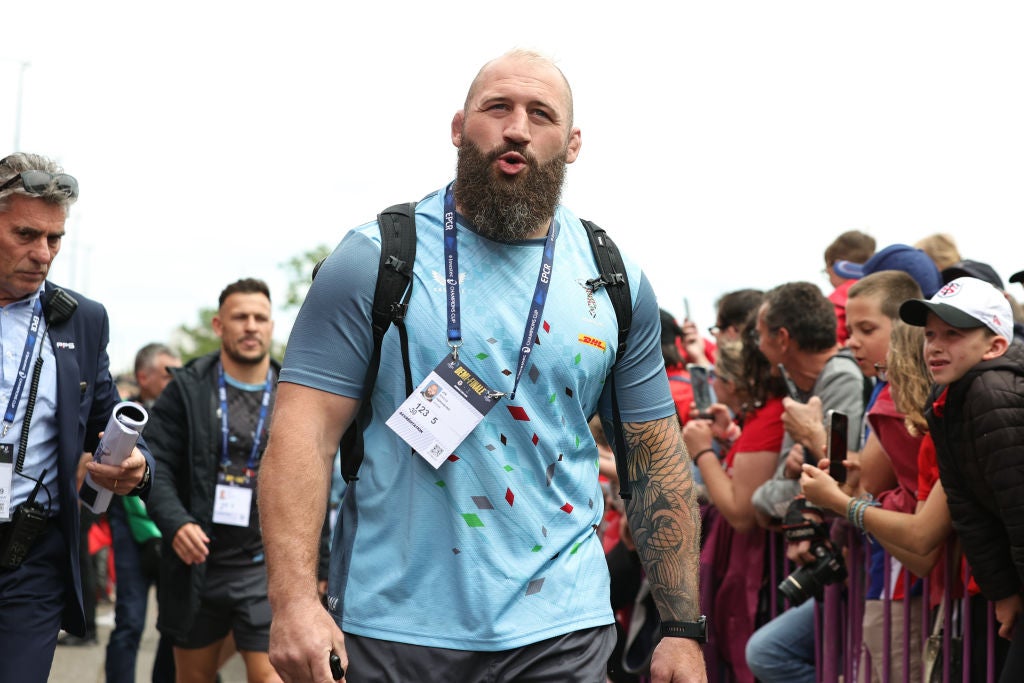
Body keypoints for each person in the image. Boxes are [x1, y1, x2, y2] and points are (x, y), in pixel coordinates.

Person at [259, 50, 707, 683]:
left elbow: (656, 458)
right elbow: (301, 436)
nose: (517, 127)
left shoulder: (612, 280)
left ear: (572, 143)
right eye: (497, 107)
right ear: (457, 126)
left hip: (562, 632)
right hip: (395, 632)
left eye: (540, 114)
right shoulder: (375, 258)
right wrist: (294, 601)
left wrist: (682, 629)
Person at [0, 152, 153, 682]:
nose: (43, 253)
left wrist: (138, 465)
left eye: (54, 238)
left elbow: (108, 418)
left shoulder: (81, 319)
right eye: (25, 234)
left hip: (28, 558)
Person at [146, 279, 323, 683]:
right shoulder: (187, 390)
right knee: (194, 676)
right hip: (198, 564)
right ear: (218, 325)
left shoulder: (292, 392)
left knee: (270, 676)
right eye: (240, 317)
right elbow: (157, 466)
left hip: (265, 567)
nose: (250, 326)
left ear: (271, 327)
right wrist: (176, 522)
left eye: (260, 318)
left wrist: (322, 563)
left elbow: (313, 481)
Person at [899, 276, 1024, 683]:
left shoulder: (992, 392)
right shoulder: (949, 400)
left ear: (995, 346)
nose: (934, 345)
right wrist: (1004, 594)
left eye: (953, 334)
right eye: (931, 334)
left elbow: (1018, 508)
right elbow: (969, 510)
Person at [105, 343, 182, 683]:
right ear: (143, 376)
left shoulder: (185, 414)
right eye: (169, 373)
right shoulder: (122, 417)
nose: (176, 380)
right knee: (130, 622)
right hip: (131, 535)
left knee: (173, 625)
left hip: (175, 534)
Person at [822, 229, 876, 346]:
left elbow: (829, 343)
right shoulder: (884, 291)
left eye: (827, 272)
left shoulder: (837, 301)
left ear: (838, 265)